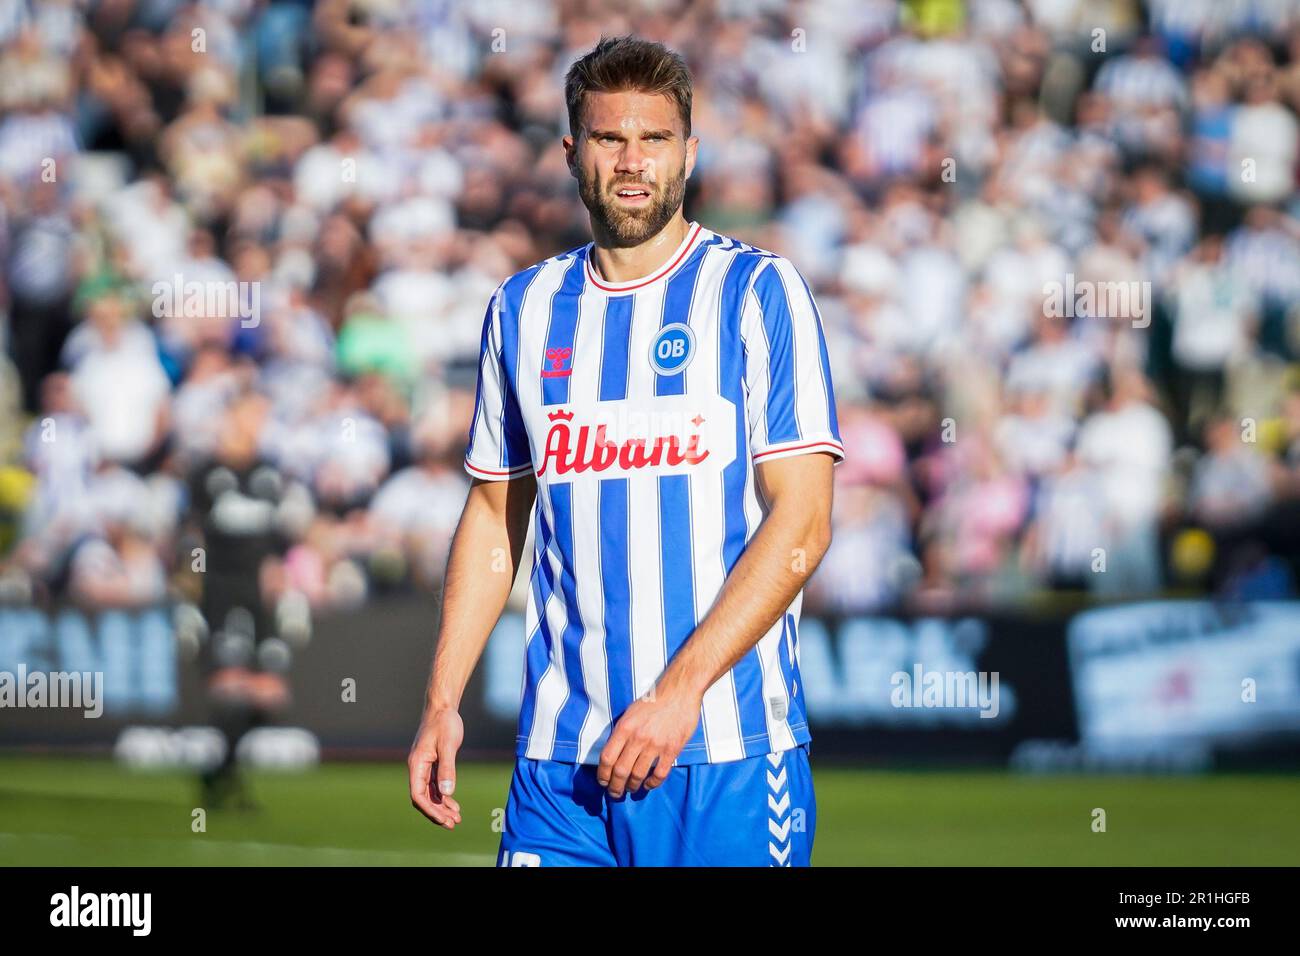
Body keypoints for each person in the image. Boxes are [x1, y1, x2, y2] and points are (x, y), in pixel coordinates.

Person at [407, 35, 843, 867]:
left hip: (721, 756)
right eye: (611, 139)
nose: (633, 161)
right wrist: (443, 700)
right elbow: (497, 516)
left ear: (690, 150)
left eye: (656, 139)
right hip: (558, 771)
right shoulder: (523, 308)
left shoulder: (757, 291)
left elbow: (803, 524)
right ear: (574, 154)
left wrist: (679, 695)